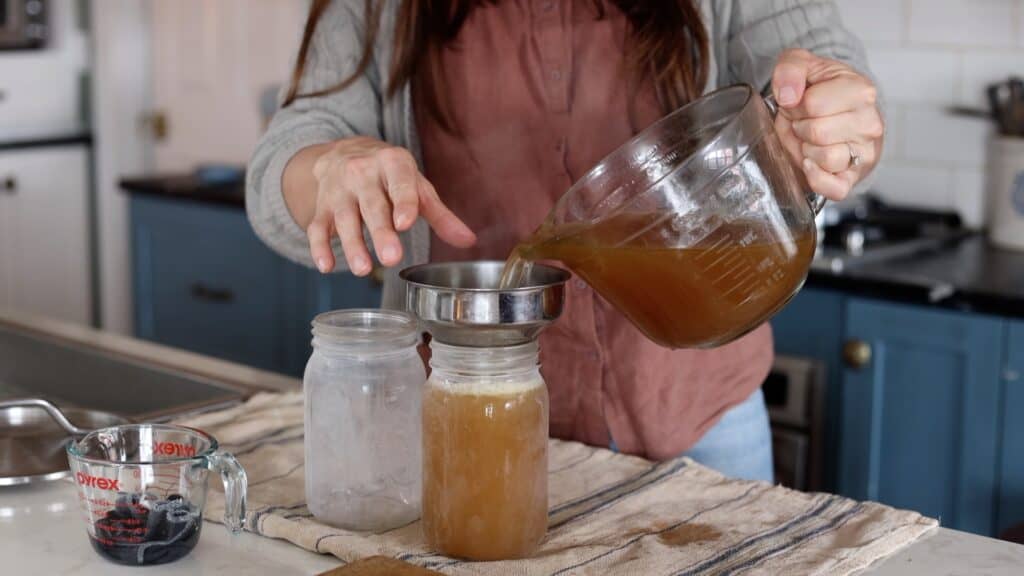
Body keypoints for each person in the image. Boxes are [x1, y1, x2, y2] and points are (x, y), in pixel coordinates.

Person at [247, 0, 884, 482]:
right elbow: (288, 154)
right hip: (458, 417)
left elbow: (815, 53)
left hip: (700, 418)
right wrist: (330, 166)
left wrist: (827, 113)